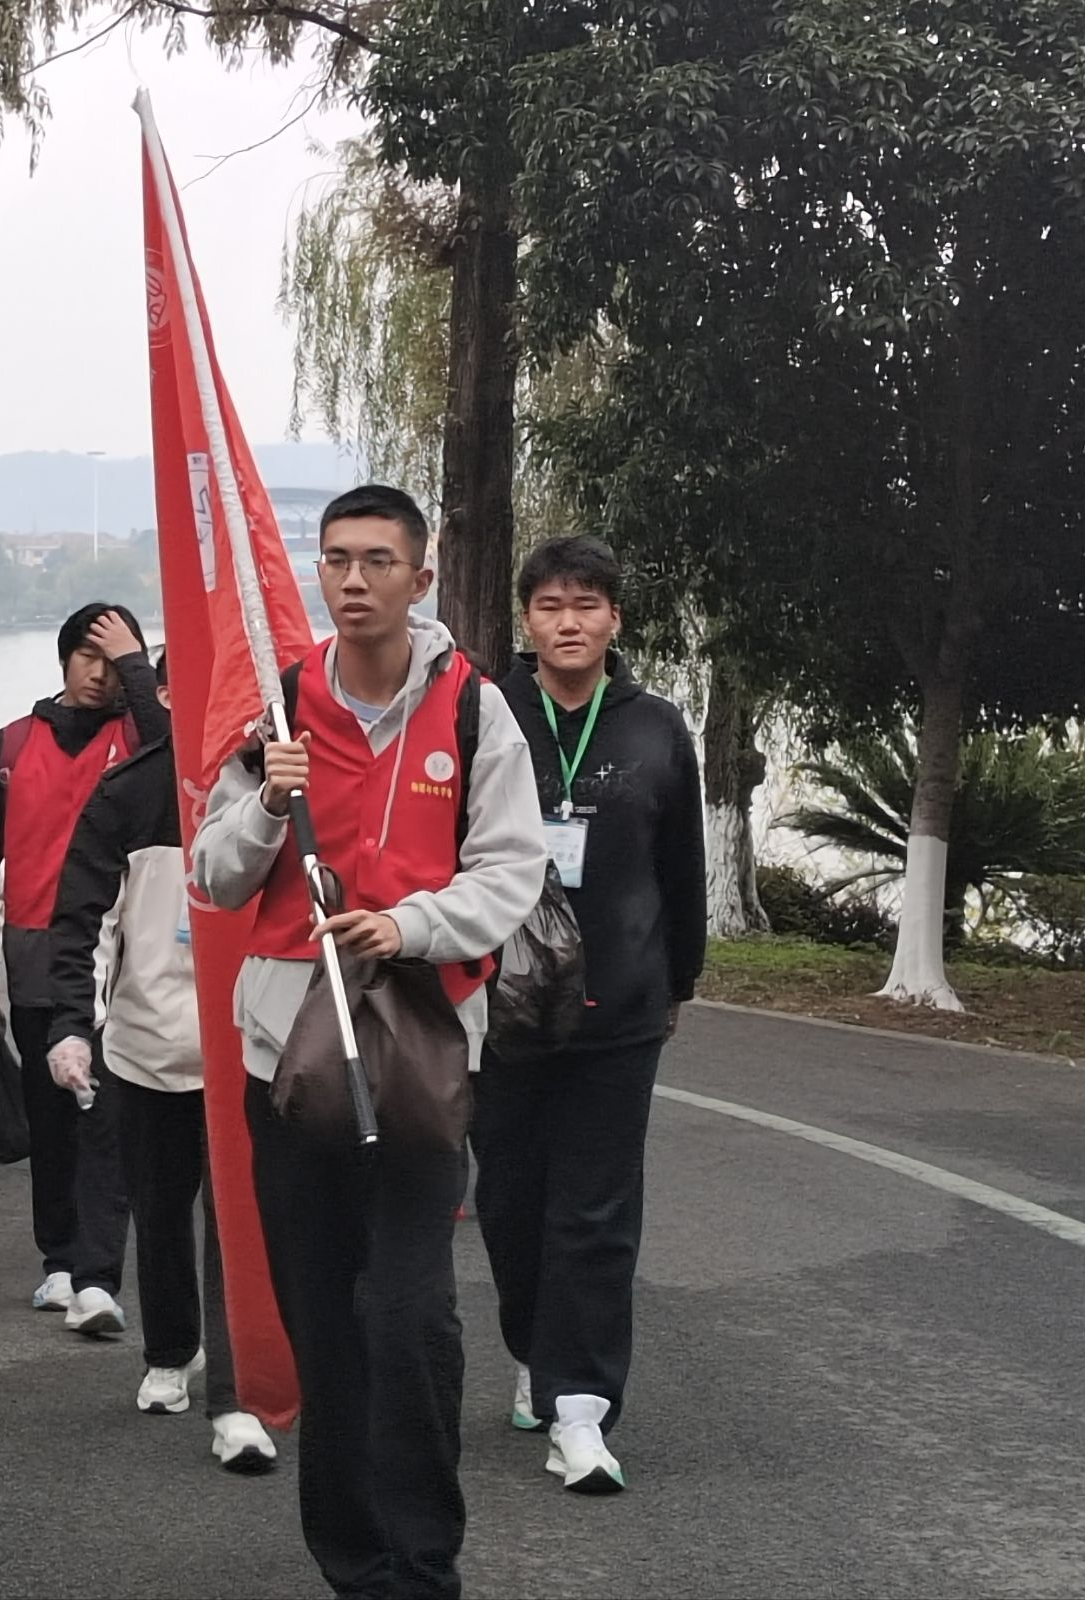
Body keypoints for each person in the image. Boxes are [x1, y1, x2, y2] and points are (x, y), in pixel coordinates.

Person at [194, 484, 549, 1600]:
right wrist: (265, 802)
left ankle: (423, 1559)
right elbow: (212, 876)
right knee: (322, 1322)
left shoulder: (476, 709)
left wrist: (410, 925)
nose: (353, 580)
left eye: (377, 561)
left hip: (420, 1057)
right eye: (337, 559)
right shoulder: (279, 709)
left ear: (420, 576)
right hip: (287, 1060)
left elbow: (512, 869)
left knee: (409, 1315)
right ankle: (354, 1564)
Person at [471, 535, 706, 1495]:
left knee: (597, 1208)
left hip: (622, 1004)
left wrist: (678, 981)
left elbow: (681, 868)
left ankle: (581, 1408)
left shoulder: (656, 727)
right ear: (525, 620)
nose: (568, 623)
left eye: (586, 605)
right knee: (509, 1199)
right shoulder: (487, 716)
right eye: (550, 606)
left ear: (613, 618)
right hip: (501, 1003)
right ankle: (537, 1346)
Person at [46, 650, 280, 1473]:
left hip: (255, 1043)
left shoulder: (277, 785)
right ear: (165, 695)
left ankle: (241, 1388)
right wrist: (71, 1026)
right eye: (194, 689)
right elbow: (80, 920)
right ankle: (171, 1350)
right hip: (149, 1042)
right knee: (161, 1206)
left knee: (242, 1217)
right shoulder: (128, 792)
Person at [0, 602, 167, 1335]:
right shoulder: (8, 747)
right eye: (89, 657)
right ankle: (59, 1259)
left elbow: (183, 757)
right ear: (63, 660)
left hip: (130, 954)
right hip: (35, 949)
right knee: (51, 1113)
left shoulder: (142, 741)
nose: (101, 675)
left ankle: (96, 1272)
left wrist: (138, 669)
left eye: (114, 661)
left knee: (105, 1116)